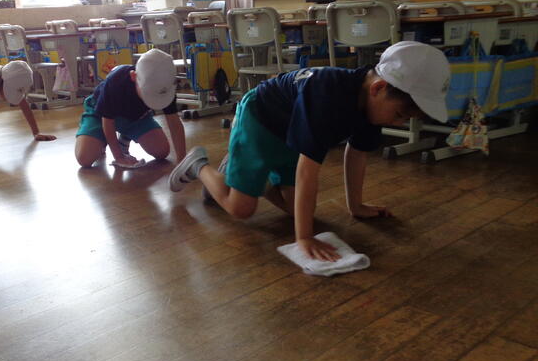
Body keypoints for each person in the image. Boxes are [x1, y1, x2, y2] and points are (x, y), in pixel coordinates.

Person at [168, 41, 451, 262]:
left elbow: (357, 153)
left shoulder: (373, 105)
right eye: (400, 114)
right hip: (260, 120)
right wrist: (303, 238)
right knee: (241, 209)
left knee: (297, 211)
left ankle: (254, 176)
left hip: (293, 134)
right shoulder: (328, 95)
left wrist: (356, 206)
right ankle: (199, 165)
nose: (398, 123)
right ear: (379, 88)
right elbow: (307, 171)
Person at [74, 48, 186, 168]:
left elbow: (174, 123)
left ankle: (125, 136)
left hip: (137, 117)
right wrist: (119, 157)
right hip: (100, 115)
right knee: (84, 159)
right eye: (148, 95)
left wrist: (182, 160)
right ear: (133, 76)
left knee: (162, 151)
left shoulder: (166, 89)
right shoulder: (116, 81)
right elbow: (107, 122)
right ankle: (100, 139)